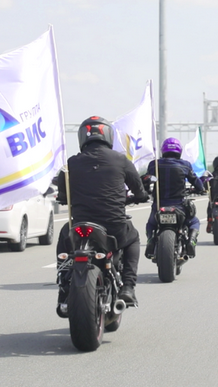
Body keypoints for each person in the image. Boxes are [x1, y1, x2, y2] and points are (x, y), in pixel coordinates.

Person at [53, 116, 150, 313]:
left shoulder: (71, 163)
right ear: (108, 136)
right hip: (114, 226)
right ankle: (129, 288)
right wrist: (138, 197)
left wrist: (65, 198)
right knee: (133, 238)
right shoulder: (121, 160)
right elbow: (139, 191)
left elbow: (63, 195)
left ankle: (64, 287)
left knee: (65, 234)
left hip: (80, 225)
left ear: (82, 137)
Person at [144, 138, 205, 259]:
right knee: (194, 221)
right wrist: (200, 189)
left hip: (159, 205)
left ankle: (150, 241)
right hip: (179, 205)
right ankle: (191, 241)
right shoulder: (185, 165)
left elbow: (146, 181)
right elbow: (196, 182)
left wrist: (146, 192)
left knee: (151, 224)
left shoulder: (154, 164)